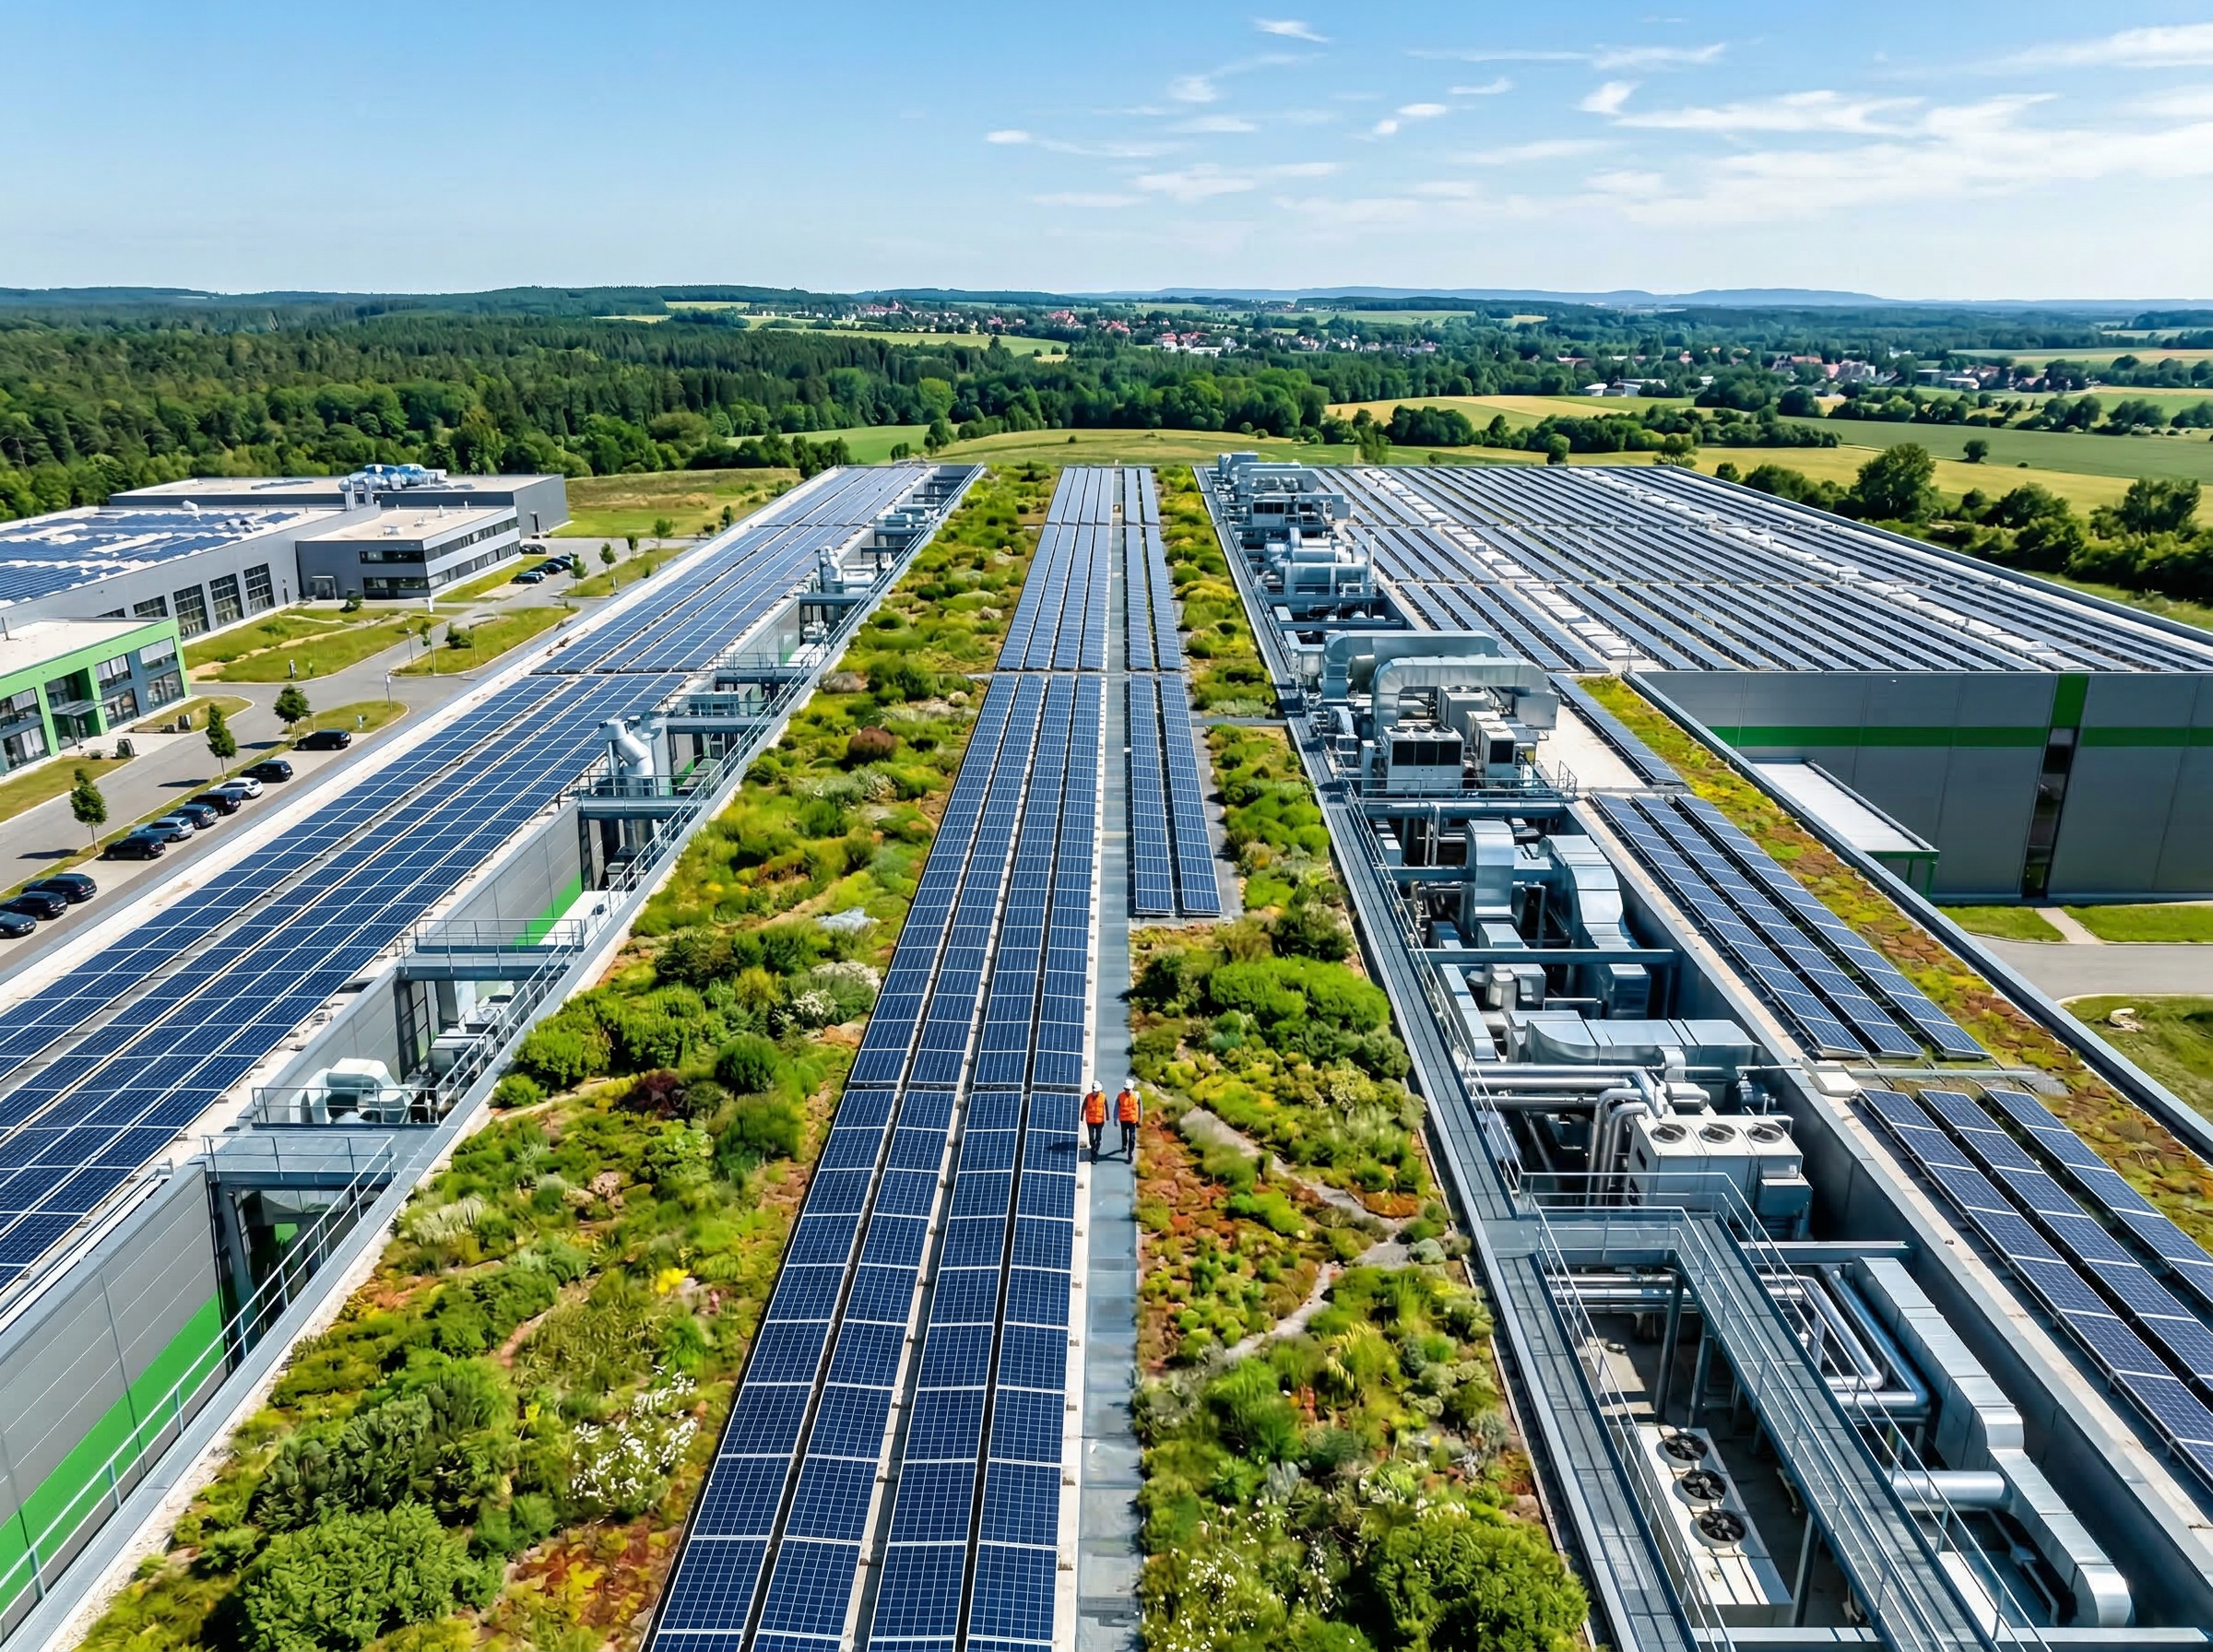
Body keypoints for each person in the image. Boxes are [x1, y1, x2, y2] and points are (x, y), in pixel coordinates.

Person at [1117, 1080, 1141, 1160]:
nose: (1127, 1091)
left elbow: (1140, 1108)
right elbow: (1117, 1107)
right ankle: (1124, 1144)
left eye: (1128, 1089)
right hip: (1123, 1120)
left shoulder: (1136, 1096)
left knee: (1132, 1137)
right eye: (1126, 1089)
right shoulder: (1120, 1096)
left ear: (1132, 1088)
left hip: (1132, 1121)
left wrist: (1139, 1119)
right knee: (1124, 1134)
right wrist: (1115, 1118)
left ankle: (1130, 1153)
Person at [1083, 1082, 1107, 1161]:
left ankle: (1095, 1151)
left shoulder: (1103, 1097)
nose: (1096, 1093)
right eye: (1094, 1091)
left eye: (1097, 1092)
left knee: (1098, 1137)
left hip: (1100, 1121)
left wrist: (1107, 1116)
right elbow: (1083, 1106)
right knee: (1091, 1137)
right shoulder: (1088, 1097)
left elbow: (1106, 1107)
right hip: (1090, 1121)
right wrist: (1081, 1116)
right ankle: (1093, 1146)